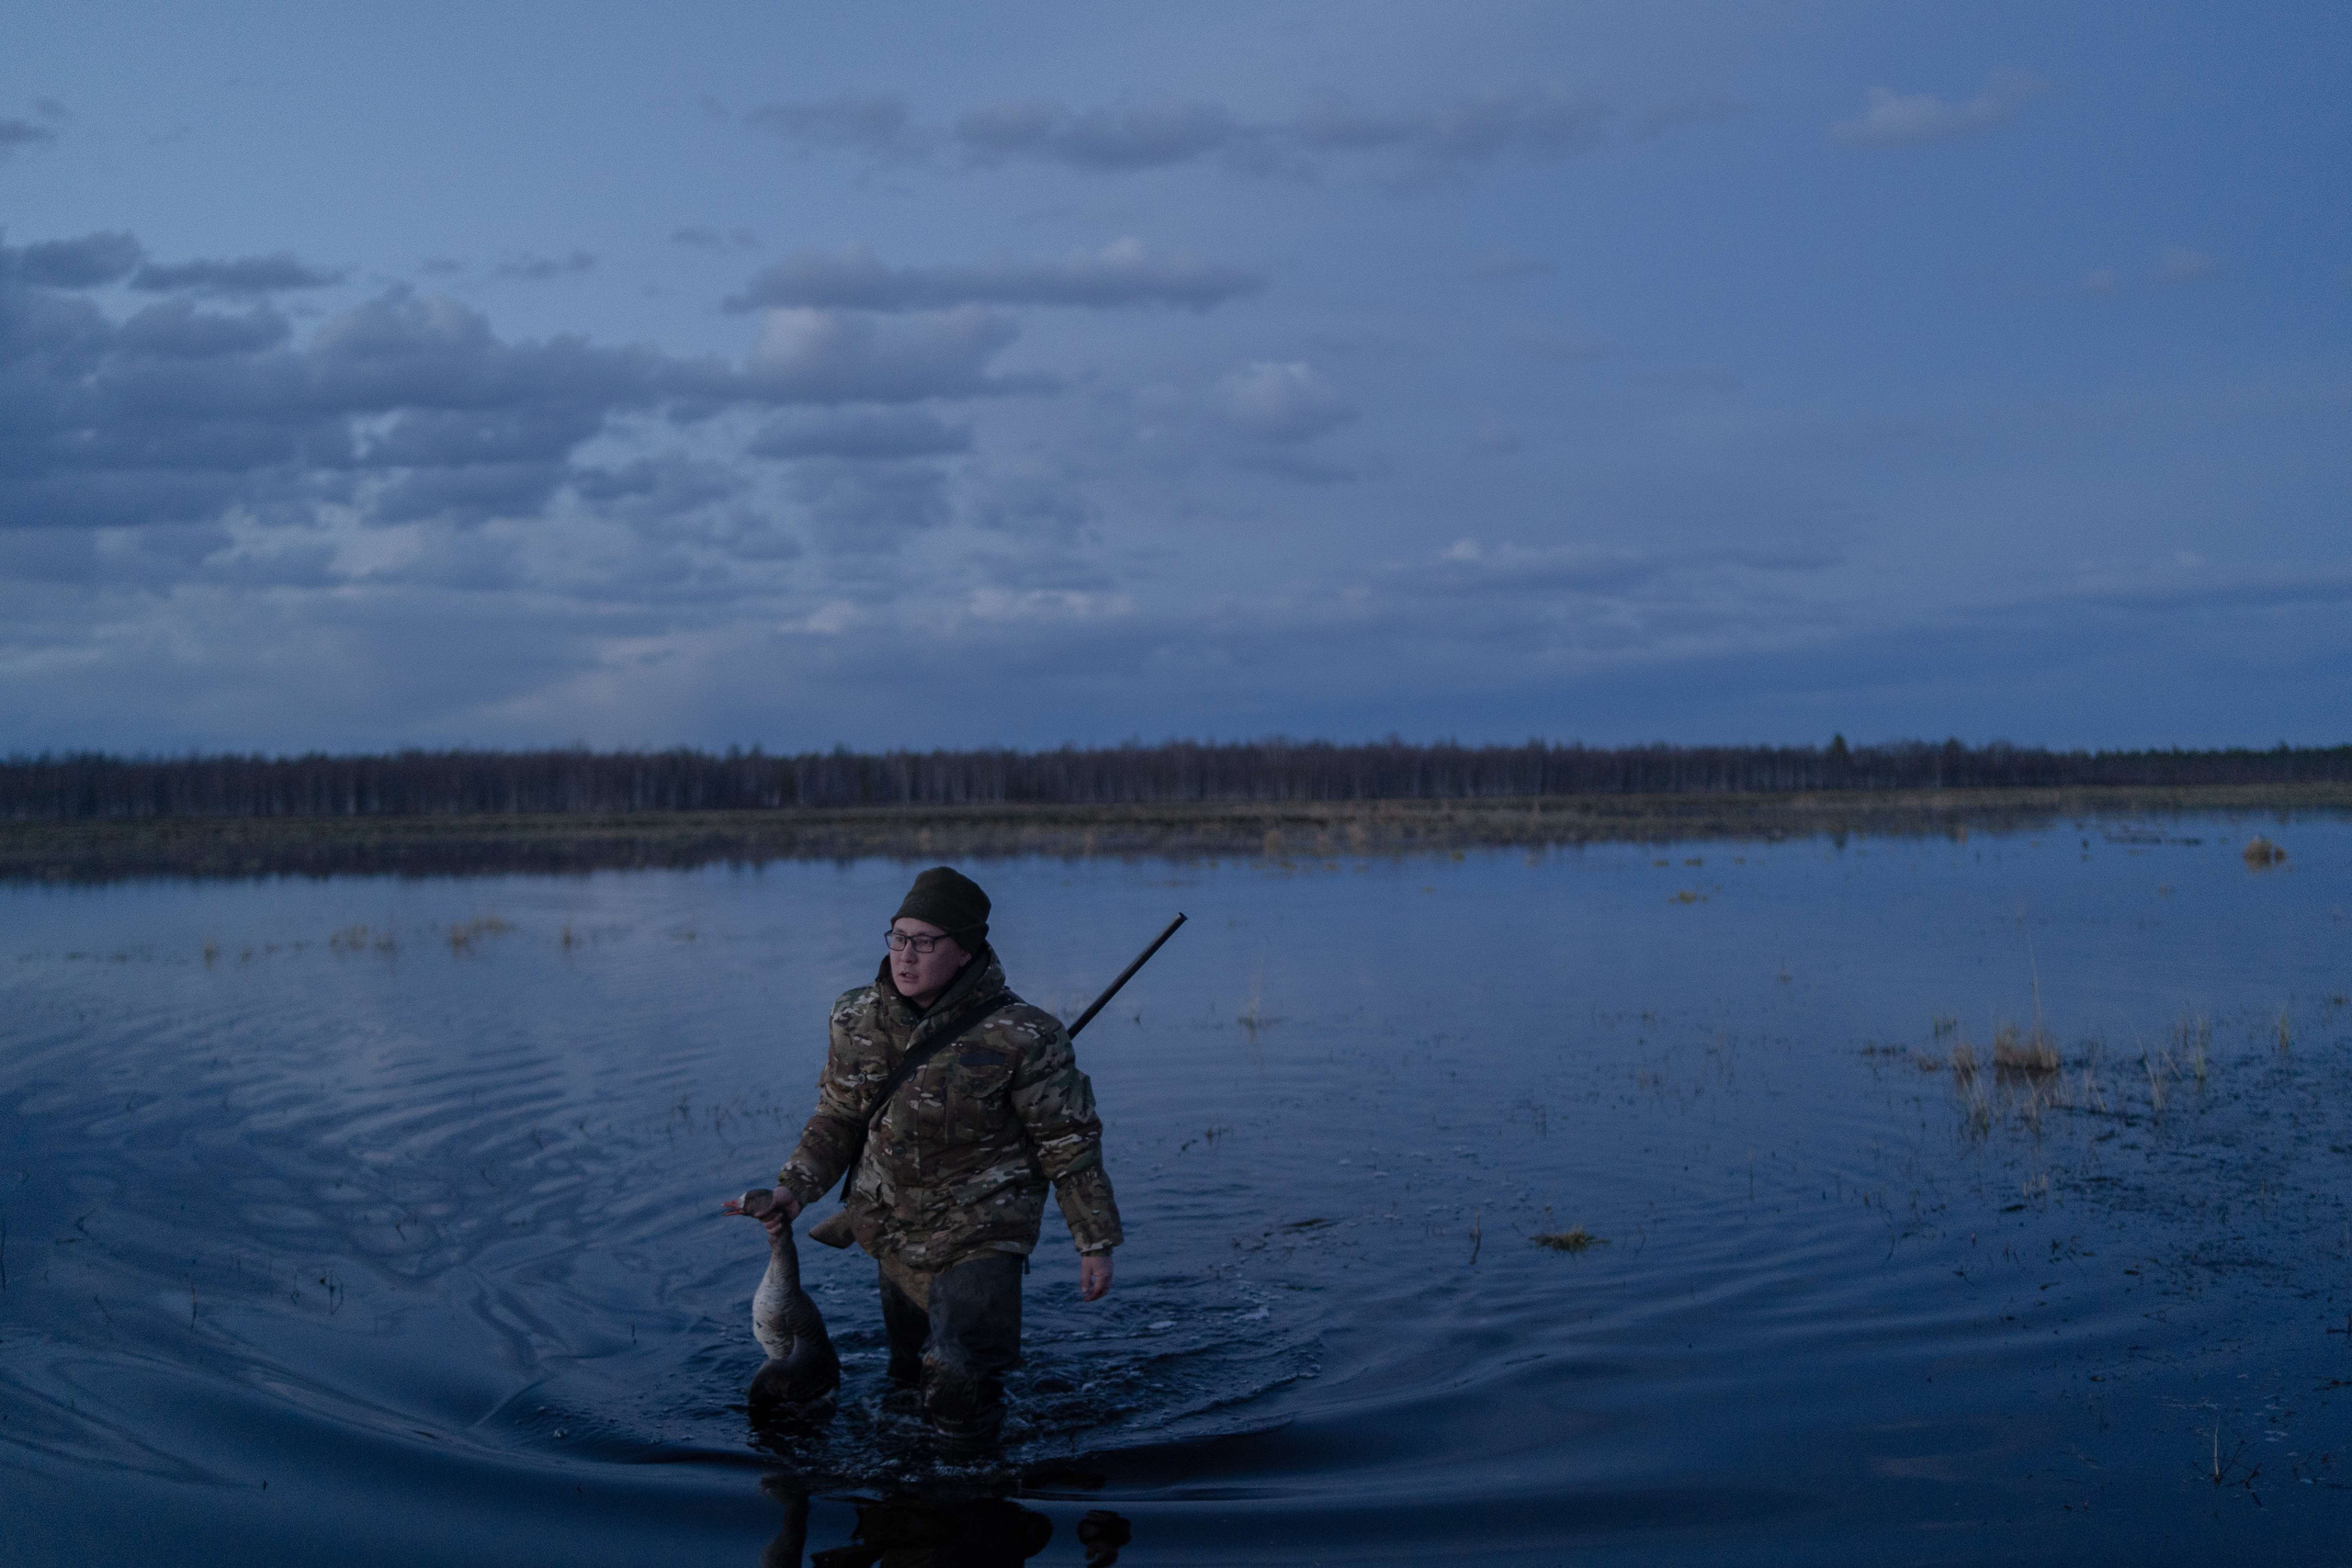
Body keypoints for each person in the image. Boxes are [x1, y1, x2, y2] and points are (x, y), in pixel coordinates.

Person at [744, 866, 1122, 1445]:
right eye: (898, 938)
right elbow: (838, 1116)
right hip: (891, 1225)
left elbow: (1067, 1143)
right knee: (907, 1378)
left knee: (959, 1379)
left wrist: (1093, 1242)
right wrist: (795, 1187)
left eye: (924, 942)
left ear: (965, 950)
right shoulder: (855, 1016)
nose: (905, 955)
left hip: (982, 1230)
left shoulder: (1025, 1035)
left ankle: (975, 1480)